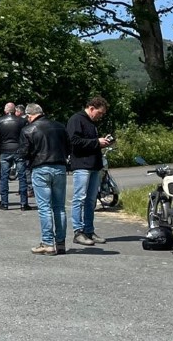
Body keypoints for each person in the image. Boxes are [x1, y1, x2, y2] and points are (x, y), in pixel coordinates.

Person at [21, 104, 70, 254]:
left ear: (29, 115)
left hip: (40, 167)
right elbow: (69, 147)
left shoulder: (28, 129)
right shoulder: (60, 126)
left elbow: (24, 152)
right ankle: (60, 243)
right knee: (59, 207)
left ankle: (48, 243)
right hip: (60, 167)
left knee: (44, 207)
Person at [67, 95, 113, 248]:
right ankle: (78, 232)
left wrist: (101, 143)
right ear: (91, 108)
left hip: (94, 165)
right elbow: (73, 141)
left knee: (91, 200)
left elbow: (89, 143)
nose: (100, 116)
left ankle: (89, 230)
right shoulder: (76, 119)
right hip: (82, 165)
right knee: (79, 198)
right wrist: (96, 142)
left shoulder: (91, 122)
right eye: (99, 113)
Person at [0, 102, 31, 211]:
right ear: (15, 111)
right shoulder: (22, 121)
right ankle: (23, 204)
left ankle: (4, 203)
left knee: (4, 177)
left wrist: (0, 146)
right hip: (19, 150)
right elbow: (27, 135)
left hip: (5, 149)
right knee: (22, 176)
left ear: (5, 111)